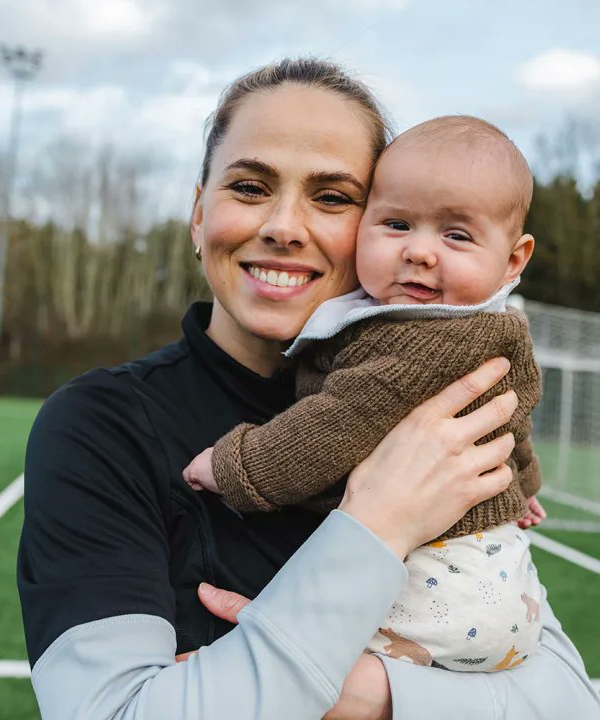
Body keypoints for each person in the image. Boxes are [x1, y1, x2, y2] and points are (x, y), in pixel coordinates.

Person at [17, 58, 600, 719]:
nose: (285, 227)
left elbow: (571, 706)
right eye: (248, 186)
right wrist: (379, 522)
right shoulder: (102, 425)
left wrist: (378, 696)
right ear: (197, 214)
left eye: (332, 198)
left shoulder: (437, 404)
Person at [183, 115, 549, 673]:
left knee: (288, 659)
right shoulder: (475, 329)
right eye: (397, 224)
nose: (420, 252)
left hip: (451, 582)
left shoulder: (429, 338)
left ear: (514, 260)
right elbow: (513, 420)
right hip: (501, 587)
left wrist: (235, 467)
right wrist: (525, 484)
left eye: (455, 235)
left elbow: (336, 423)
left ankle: (294, 656)